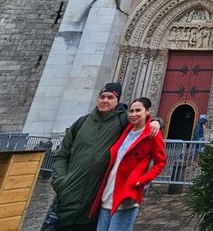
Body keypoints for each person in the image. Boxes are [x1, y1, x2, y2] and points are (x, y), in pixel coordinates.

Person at [50, 83, 160, 231]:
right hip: (68, 198)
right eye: (102, 97)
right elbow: (62, 155)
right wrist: (60, 181)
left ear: (117, 101)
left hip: (94, 202)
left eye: (110, 97)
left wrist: (156, 121)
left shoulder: (122, 122)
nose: (105, 100)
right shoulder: (81, 123)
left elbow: (141, 120)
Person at [91, 98, 166, 231]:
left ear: (148, 111)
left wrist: (141, 181)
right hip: (108, 193)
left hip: (126, 196)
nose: (133, 114)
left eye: (138, 110)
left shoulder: (152, 135)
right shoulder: (126, 130)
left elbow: (160, 162)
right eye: (131, 111)